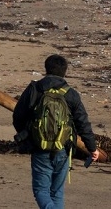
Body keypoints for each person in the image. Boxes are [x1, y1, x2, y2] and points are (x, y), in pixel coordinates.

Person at [12, 54, 99, 209]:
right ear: (65, 71)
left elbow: (18, 116)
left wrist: (29, 134)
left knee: (41, 190)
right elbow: (83, 123)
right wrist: (92, 148)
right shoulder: (71, 94)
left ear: (46, 69)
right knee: (57, 192)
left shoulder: (34, 89)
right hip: (63, 149)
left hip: (39, 148)